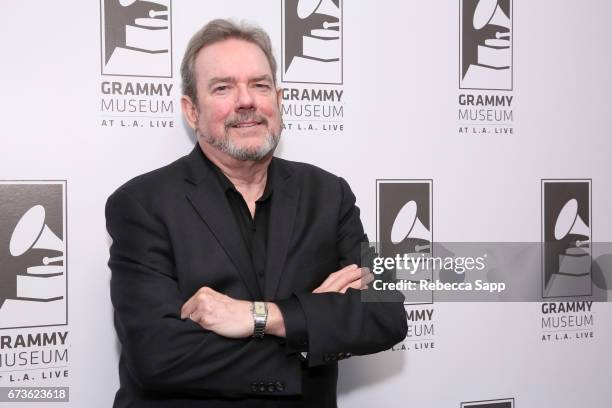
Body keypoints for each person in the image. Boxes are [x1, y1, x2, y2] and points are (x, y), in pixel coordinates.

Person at [105, 18, 407, 408]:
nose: (246, 101)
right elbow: (159, 356)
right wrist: (309, 330)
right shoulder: (143, 204)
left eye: (260, 85)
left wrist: (260, 317)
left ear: (278, 99)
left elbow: (386, 315)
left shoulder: (329, 195)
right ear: (191, 110)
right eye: (223, 87)